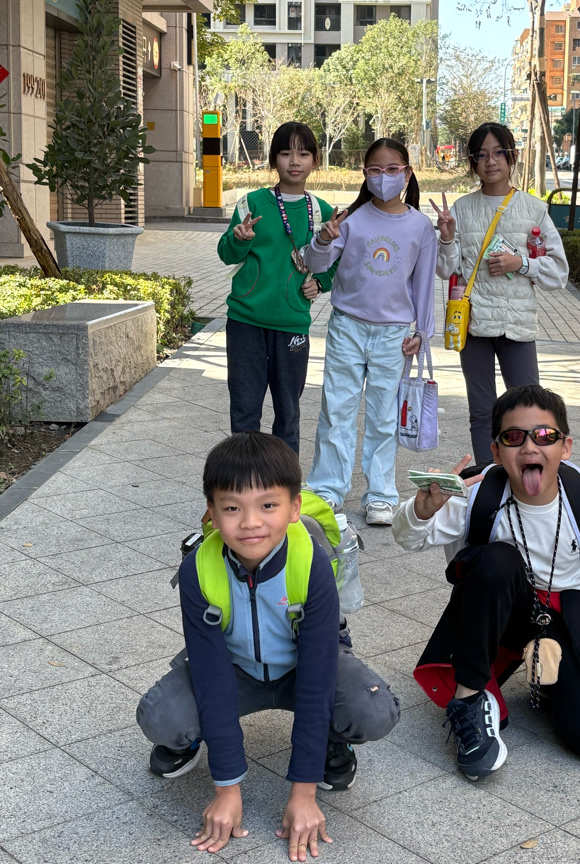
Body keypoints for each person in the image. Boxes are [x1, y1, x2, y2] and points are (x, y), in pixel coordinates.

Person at [392, 384, 580, 780]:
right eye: (514, 437)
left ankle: (555, 677)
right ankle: (469, 699)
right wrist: (420, 510)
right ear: (496, 451)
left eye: (545, 435)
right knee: (497, 560)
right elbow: (410, 538)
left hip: (569, 611)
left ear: (565, 447)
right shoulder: (477, 493)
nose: (530, 447)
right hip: (501, 610)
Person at [137, 432, 400, 860]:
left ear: (294, 508)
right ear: (211, 512)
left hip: (302, 669)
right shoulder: (196, 571)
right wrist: (226, 789)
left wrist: (303, 792)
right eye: (232, 508)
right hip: (233, 669)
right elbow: (211, 677)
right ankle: (188, 742)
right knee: (161, 716)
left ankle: (332, 740)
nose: (250, 523)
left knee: (371, 709)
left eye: (268, 506)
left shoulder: (311, 563)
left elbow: (317, 677)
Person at [303, 138, 437, 527]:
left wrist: (423, 332)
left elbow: (424, 285)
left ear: (407, 173)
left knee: (383, 416)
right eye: (375, 170)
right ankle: (327, 490)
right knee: (336, 409)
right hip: (347, 326)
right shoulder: (351, 220)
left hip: (395, 335)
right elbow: (314, 263)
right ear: (364, 174)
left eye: (393, 169)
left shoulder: (420, 226)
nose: (384, 177)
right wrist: (322, 239)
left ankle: (380, 495)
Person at [431, 123, 569, 464]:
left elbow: (558, 273)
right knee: (481, 412)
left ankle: (528, 473)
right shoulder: (462, 209)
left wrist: (520, 263)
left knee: (530, 410)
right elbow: (445, 269)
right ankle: (488, 480)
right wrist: (446, 238)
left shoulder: (533, 209)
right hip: (473, 324)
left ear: (512, 157)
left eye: (497, 153)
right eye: (481, 155)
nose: (490, 161)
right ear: (472, 161)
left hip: (516, 326)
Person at [216, 122, 337, 453]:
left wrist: (321, 282)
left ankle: (284, 479)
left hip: (292, 324)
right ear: (273, 159)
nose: (294, 161)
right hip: (245, 321)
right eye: (285, 153)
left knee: (288, 412)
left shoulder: (323, 212)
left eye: (303, 154)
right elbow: (226, 254)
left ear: (315, 160)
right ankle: (243, 475)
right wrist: (239, 239)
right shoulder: (252, 203)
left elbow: (337, 261)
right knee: (244, 409)